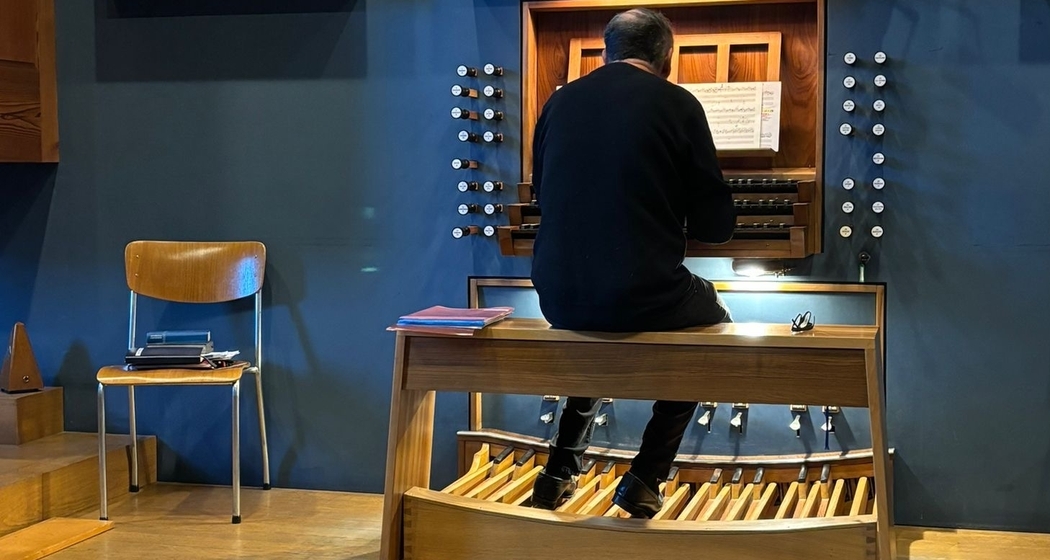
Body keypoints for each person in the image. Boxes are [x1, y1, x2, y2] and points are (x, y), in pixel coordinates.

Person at [528, 8, 736, 518]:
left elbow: (542, 193)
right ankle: (647, 474)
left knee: (604, 320)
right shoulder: (678, 102)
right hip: (639, 291)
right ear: (667, 58)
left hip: (558, 294)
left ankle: (559, 469)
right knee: (713, 328)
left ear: (605, 53)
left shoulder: (559, 102)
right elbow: (716, 226)